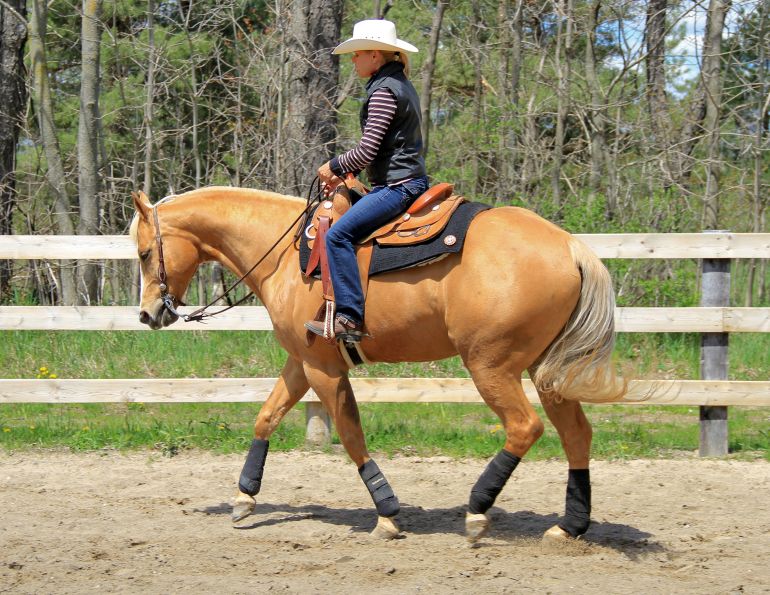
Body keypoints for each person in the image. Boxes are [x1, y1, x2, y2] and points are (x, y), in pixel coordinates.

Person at [305, 19, 429, 343]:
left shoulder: (384, 90)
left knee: (338, 236)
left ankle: (349, 317)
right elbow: (383, 147)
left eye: (357, 53)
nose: (353, 59)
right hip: (403, 180)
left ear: (375, 55)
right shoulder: (397, 83)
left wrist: (333, 166)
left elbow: (367, 149)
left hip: (398, 186)